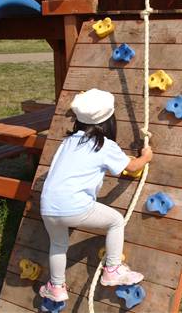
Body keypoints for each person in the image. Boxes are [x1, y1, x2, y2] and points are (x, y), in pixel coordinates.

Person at [39, 88, 153, 302]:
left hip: (47, 207)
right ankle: (112, 270)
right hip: (74, 206)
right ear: (109, 122)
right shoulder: (105, 145)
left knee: (58, 245)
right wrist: (146, 157)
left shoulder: (68, 141)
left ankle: (56, 286)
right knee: (116, 222)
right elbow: (131, 166)